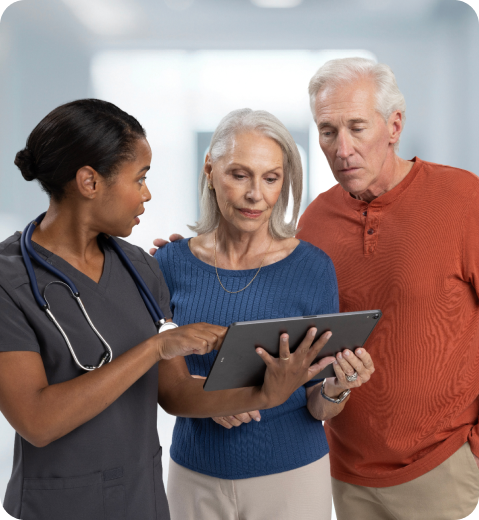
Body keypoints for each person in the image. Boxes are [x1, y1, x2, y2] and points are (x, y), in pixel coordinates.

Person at [0, 99, 340, 520]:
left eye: (271, 177)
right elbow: (37, 421)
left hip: (141, 498)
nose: (147, 193)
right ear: (89, 181)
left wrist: (267, 393)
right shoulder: (10, 281)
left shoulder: (140, 267)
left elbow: (175, 392)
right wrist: (154, 348)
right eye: (139, 178)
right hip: (56, 502)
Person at [152, 108, 376, 520]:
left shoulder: (313, 267)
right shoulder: (168, 262)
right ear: (210, 169)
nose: (256, 194)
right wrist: (206, 398)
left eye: (271, 178)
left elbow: (316, 402)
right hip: (194, 473)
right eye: (239, 175)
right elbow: (149, 373)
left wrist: (339, 388)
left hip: (292, 475)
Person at [296, 57, 479, 520]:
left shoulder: (463, 198)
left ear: (394, 126)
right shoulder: (314, 222)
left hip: (448, 466)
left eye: (357, 127)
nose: (343, 148)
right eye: (328, 131)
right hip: (346, 474)